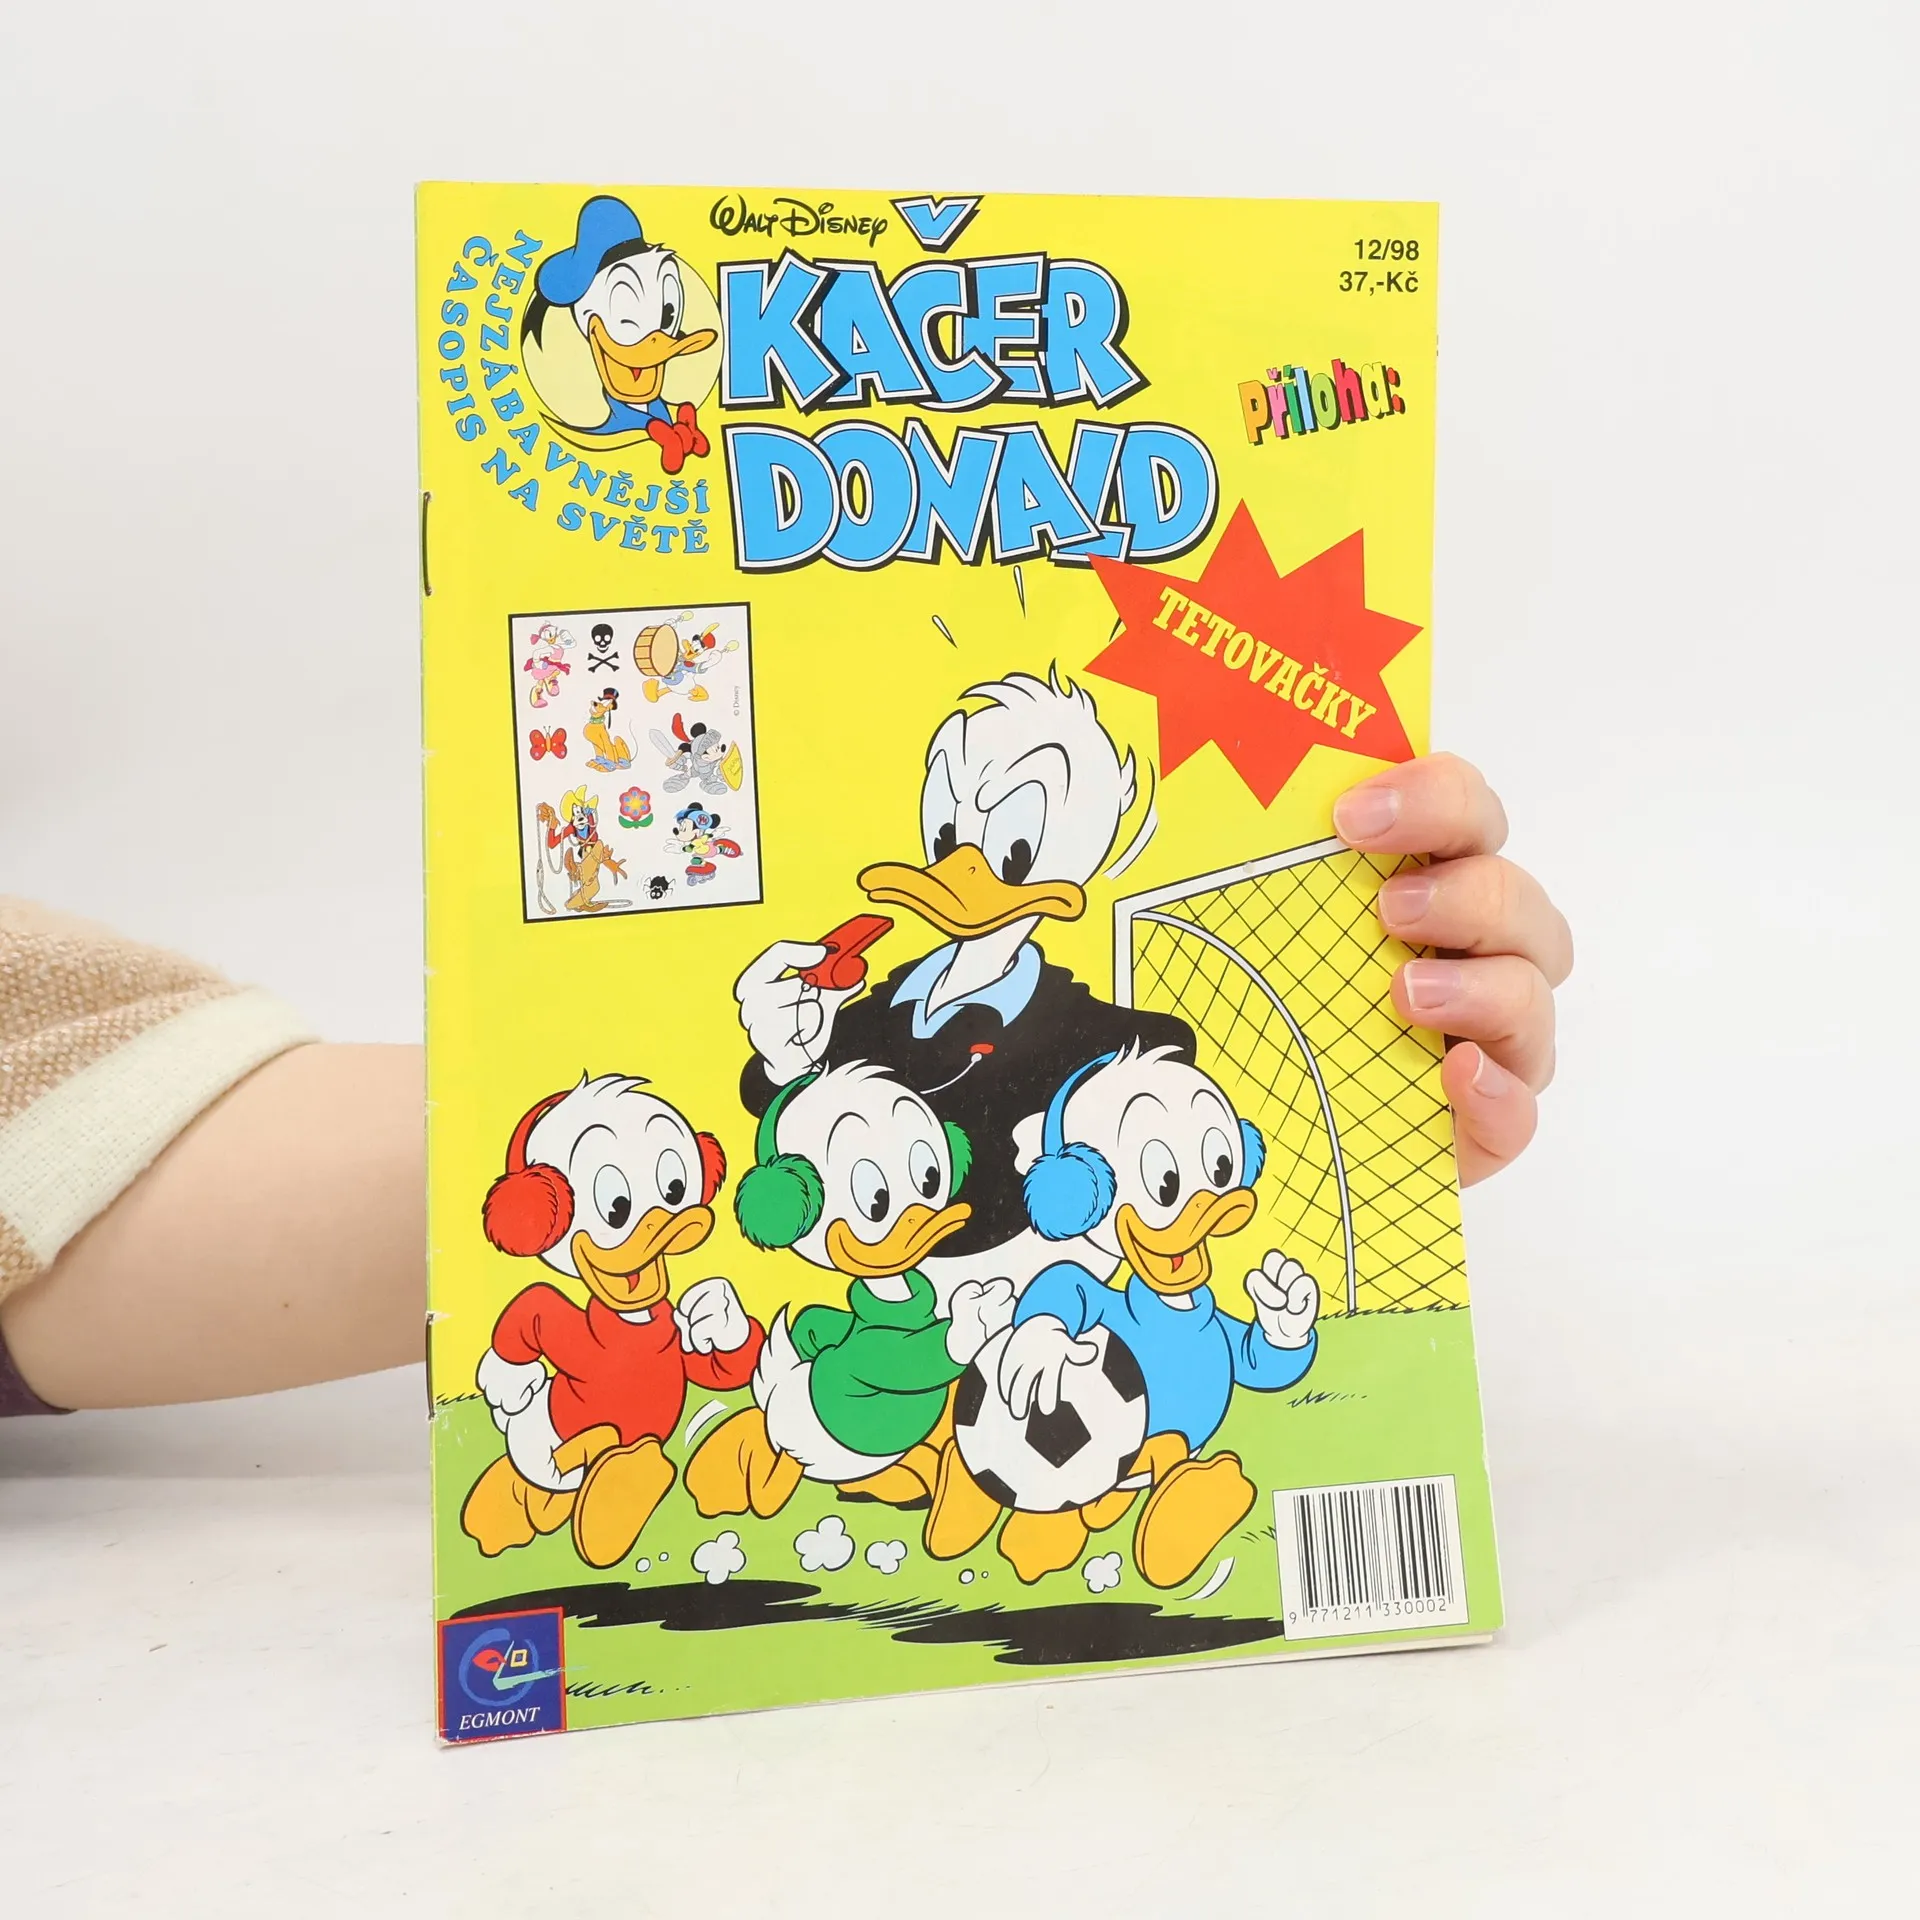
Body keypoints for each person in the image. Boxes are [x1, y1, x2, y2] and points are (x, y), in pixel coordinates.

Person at [0, 754, 1572, 1415]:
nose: (969, 864)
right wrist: (782, 1050)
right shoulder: (860, 997)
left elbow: (78, 1118)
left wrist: (1337, 1077)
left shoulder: (1106, 1024)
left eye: (1020, 840)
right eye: (957, 824)